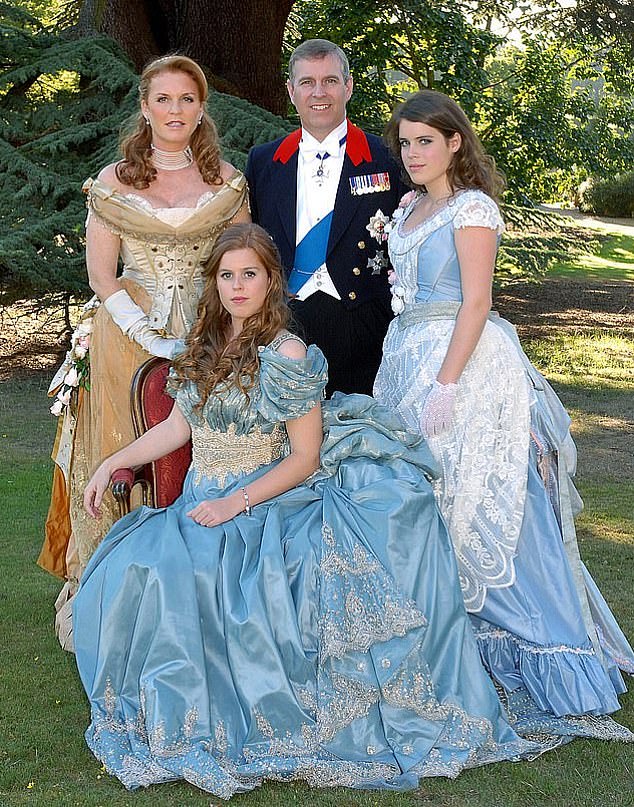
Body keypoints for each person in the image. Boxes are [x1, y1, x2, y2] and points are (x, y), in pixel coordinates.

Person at [73, 222, 557, 798]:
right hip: (199, 501)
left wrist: (236, 503)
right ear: (215, 283)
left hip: (264, 499)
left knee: (209, 578)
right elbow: (177, 428)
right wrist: (110, 462)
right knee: (135, 566)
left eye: (249, 274)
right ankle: (171, 703)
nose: (237, 286)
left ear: (271, 280)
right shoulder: (199, 347)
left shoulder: (287, 353)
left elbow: (303, 458)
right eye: (227, 276)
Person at [373, 90, 634, 737]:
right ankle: (442, 651)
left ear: (455, 142)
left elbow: (475, 300)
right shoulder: (407, 208)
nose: (413, 153)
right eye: (405, 142)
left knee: (487, 508)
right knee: (418, 508)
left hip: (465, 373)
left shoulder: (471, 208)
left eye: (425, 141)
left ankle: (545, 655)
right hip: (404, 363)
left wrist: (447, 384)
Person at [39, 54, 249, 650]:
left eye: (186, 99)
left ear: (201, 107)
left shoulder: (228, 181)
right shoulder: (112, 183)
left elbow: (242, 264)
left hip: (214, 328)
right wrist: (149, 333)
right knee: (127, 445)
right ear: (146, 107)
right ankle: (122, 584)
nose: (175, 110)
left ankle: (201, 584)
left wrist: (218, 328)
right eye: (164, 99)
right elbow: (103, 277)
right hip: (128, 334)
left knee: (215, 446)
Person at [246, 39, 404, 397]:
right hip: (285, 321)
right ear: (291, 91)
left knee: (362, 437)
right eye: (307, 82)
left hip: (364, 322)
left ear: (348, 87)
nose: (319, 92)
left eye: (330, 81)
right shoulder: (264, 162)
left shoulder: (388, 158)